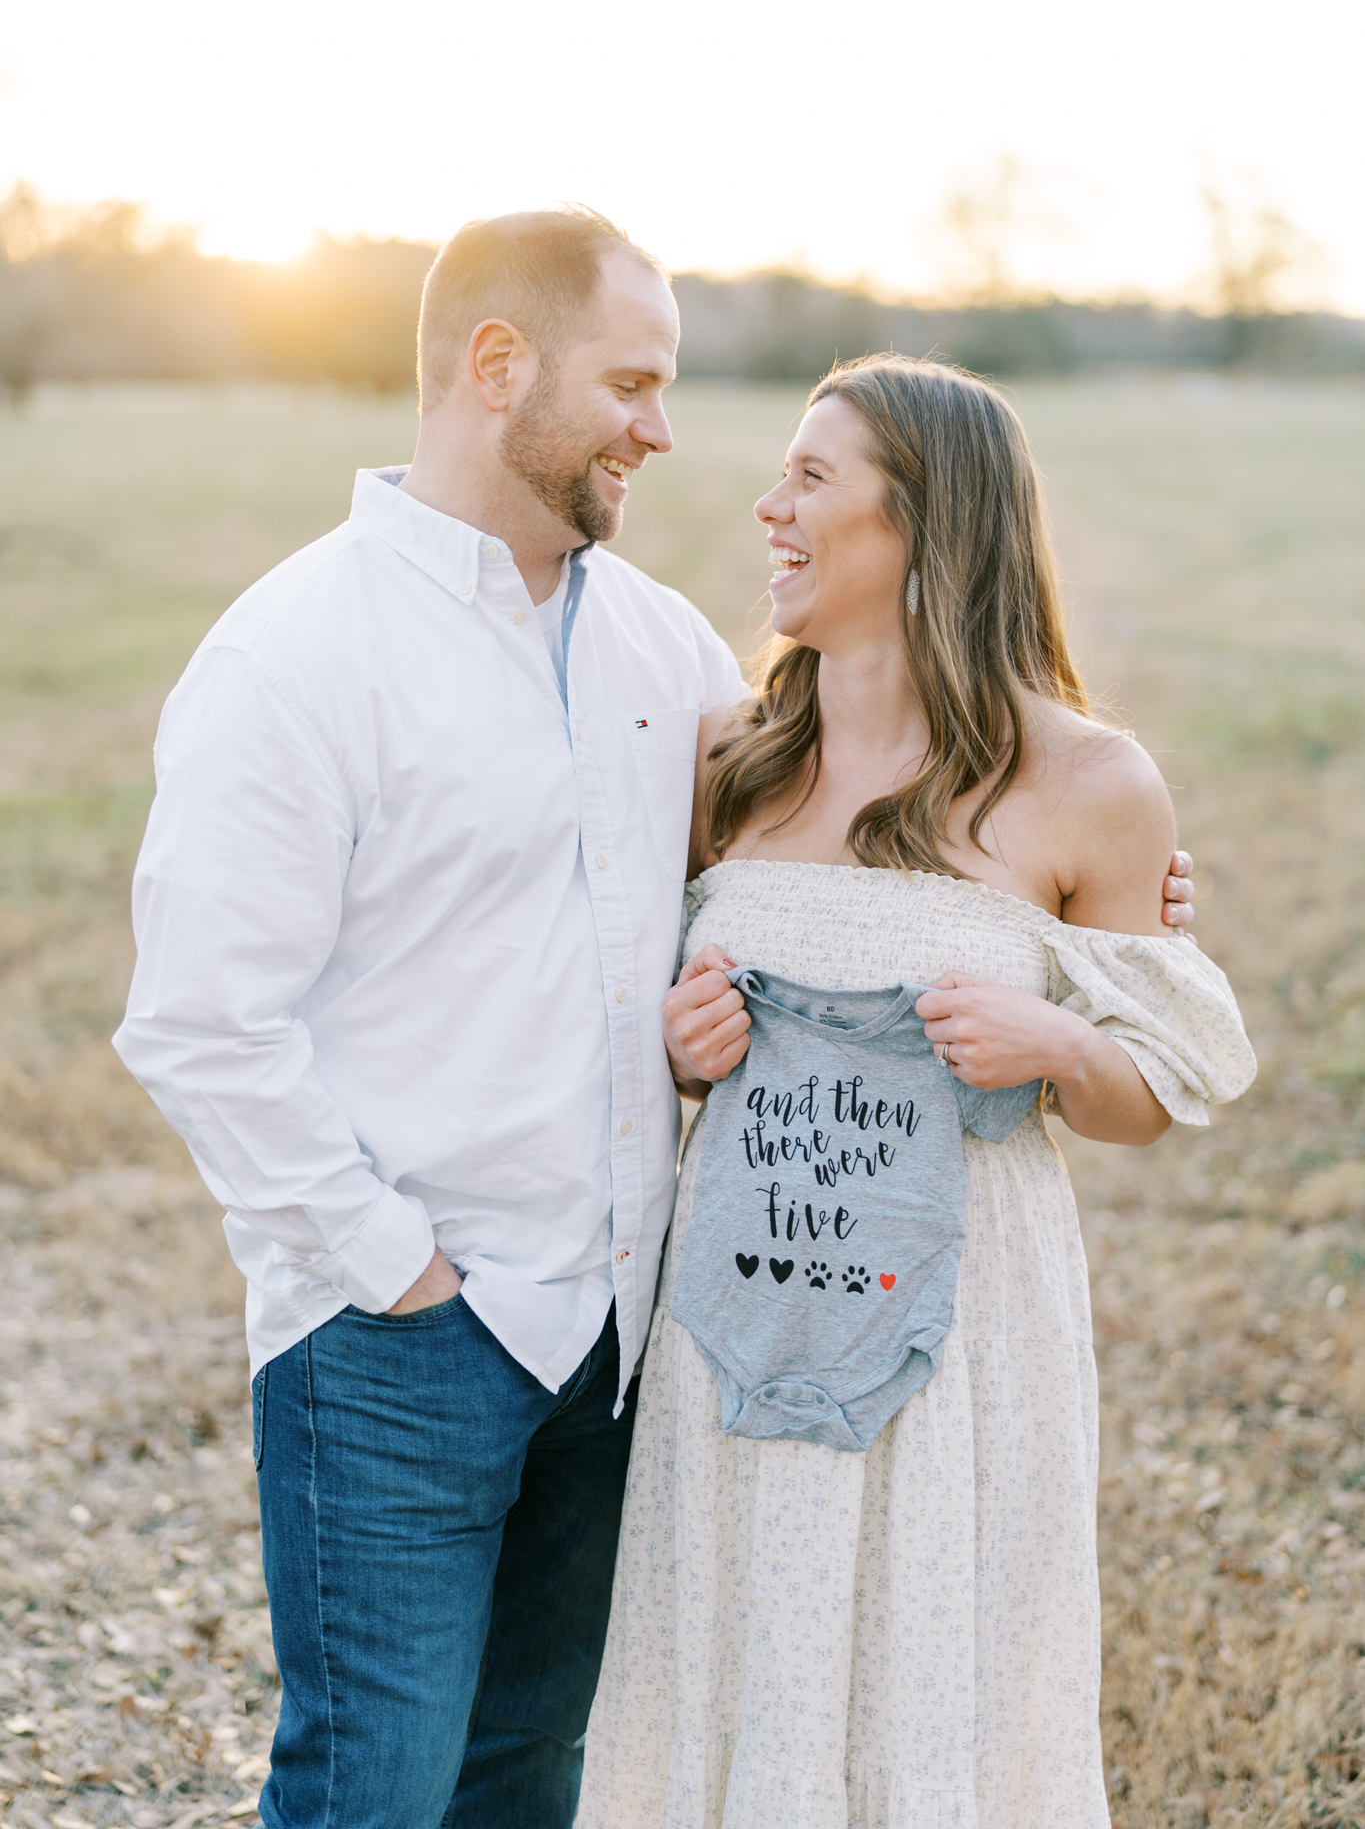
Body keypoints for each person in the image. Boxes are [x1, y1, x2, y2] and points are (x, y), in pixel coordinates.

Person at [113, 219, 1195, 1829]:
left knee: (529, 1777)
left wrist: (1092, 936)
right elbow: (198, 1022)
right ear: (496, 367)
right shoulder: (296, 654)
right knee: (372, 1789)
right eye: (631, 382)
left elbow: (796, 900)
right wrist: (392, 1269)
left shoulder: (662, 657)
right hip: (401, 1332)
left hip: (625, 1336)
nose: (663, 431)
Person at [577, 354, 1255, 1829]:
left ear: (926, 524)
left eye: (811, 478)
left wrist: (1060, 1044)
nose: (767, 505)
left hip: (958, 1337)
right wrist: (687, 1052)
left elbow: (1151, 1093)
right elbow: (650, 1030)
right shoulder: (728, 764)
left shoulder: (1086, 781)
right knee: (735, 1665)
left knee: (934, 1680)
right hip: (738, 1322)